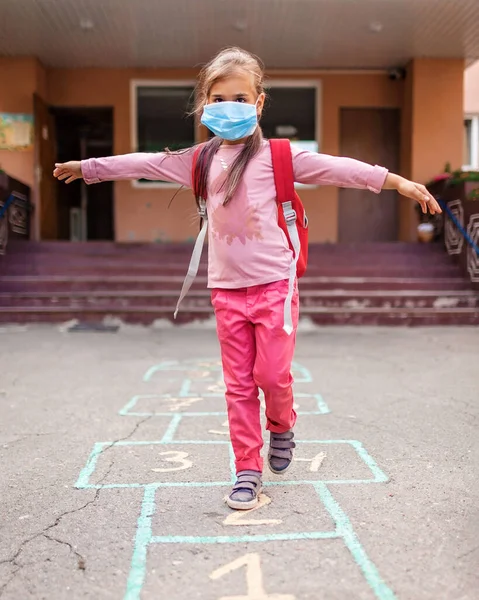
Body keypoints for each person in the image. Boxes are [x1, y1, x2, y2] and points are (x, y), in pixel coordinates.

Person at [53, 47, 441, 511]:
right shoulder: (198, 160)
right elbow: (143, 163)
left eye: (240, 96)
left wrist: (398, 182)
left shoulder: (281, 157)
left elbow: (339, 168)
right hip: (226, 289)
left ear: (258, 104)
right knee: (238, 385)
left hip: (275, 284)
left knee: (272, 376)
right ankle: (247, 471)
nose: (228, 105)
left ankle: (282, 424)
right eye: (218, 97)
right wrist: (89, 168)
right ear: (204, 106)